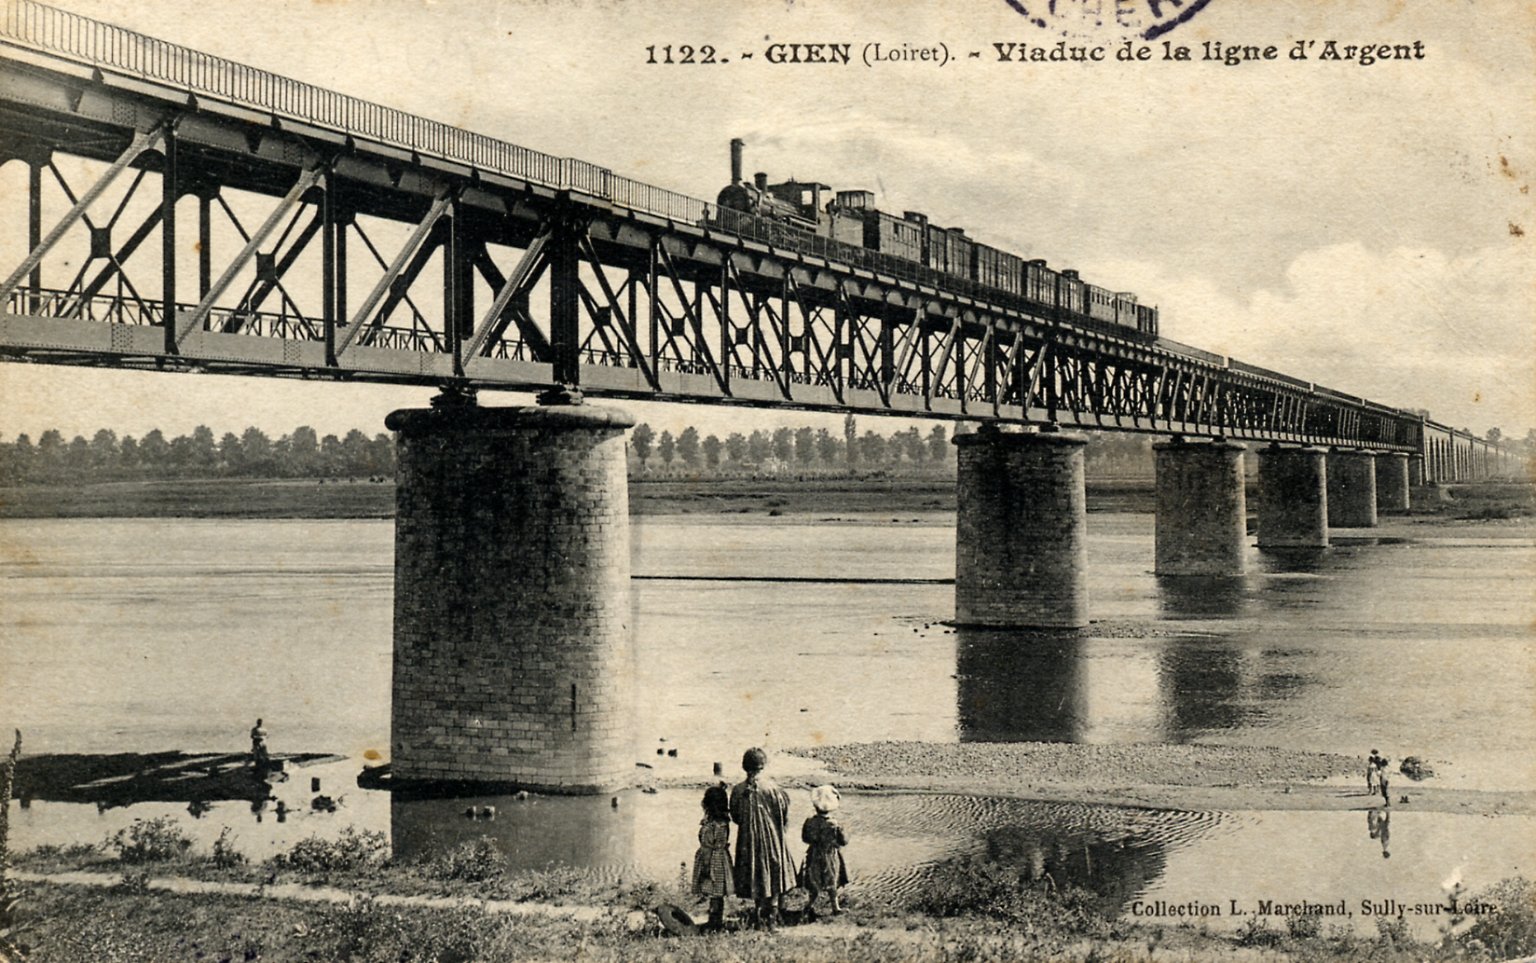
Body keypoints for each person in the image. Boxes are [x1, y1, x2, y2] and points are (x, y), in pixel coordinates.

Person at [729, 747, 796, 929]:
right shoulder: (774, 788)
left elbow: (735, 817)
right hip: (772, 838)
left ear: (744, 766)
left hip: (748, 840)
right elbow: (783, 815)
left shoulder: (738, 790)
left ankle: (759, 915)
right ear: (763, 765)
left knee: (754, 872)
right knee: (773, 872)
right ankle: (772, 917)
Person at [799, 784, 850, 920]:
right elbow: (844, 841)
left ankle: (809, 906)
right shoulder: (835, 824)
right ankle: (835, 907)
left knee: (814, 881)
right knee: (832, 880)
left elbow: (805, 838)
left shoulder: (810, 821)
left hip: (814, 854)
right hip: (830, 855)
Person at [692, 784, 734, 931]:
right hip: (719, 858)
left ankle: (715, 922)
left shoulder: (713, 825)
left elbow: (710, 845)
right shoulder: (721, 822)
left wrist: (705, 866)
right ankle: (715, 920)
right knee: (716, 893)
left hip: (712, 860)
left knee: (714, 893)